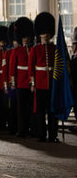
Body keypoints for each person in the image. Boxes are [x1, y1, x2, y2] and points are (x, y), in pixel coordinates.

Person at [29, 12, 58, 142]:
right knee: (40, 112)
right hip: (40, 83)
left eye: (47, 33)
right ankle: (41, 134)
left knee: (52, 111)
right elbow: (31, 67)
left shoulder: (55, 48)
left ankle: (53, 135)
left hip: (52, 83)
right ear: (39, 34)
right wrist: (33, 83)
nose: (45, 35)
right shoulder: (35, 49)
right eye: (43, 33)